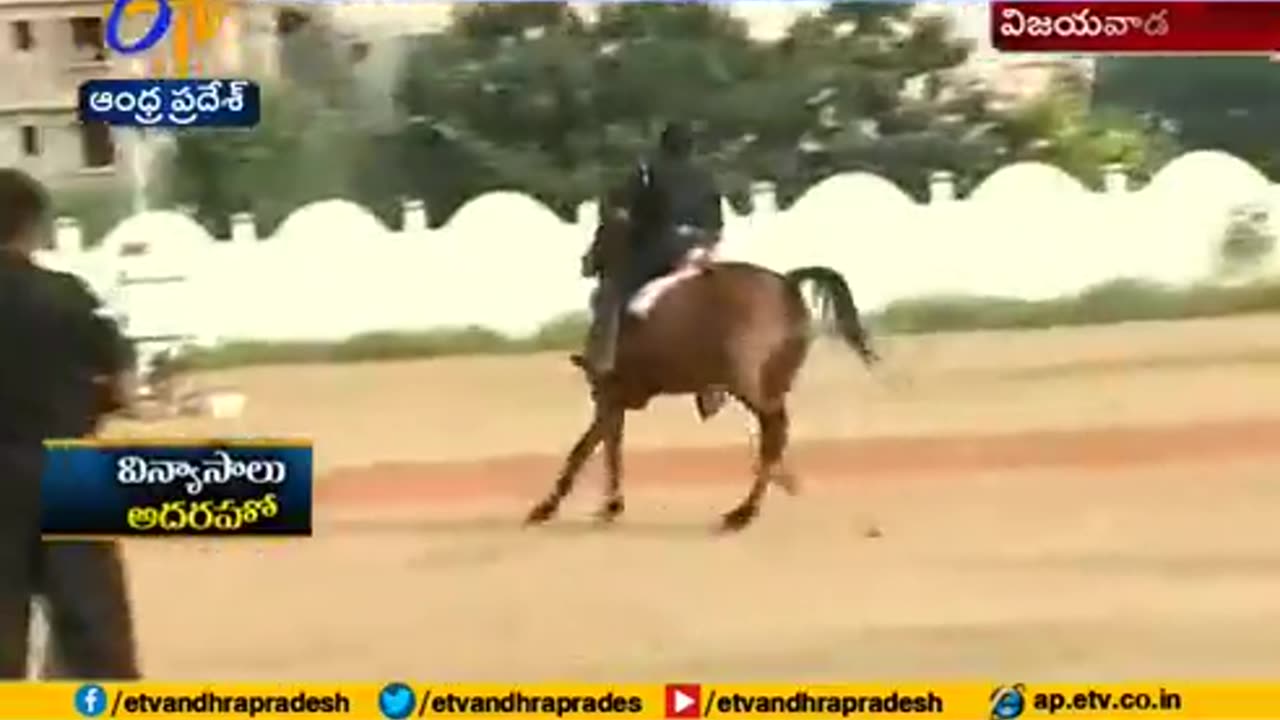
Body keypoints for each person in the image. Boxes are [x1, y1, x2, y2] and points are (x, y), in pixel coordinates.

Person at [0, 167, 141, 679]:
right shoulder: (69, 295)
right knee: (93, 626)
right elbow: (125, 386)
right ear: (34, 226)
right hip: (70, 469)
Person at [576, 121, 725, 378]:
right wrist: (706, 245)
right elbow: (717, 219)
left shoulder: (649, 172)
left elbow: (633, 213)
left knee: (613, 290)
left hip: (663, 245)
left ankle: (602, 358)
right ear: (692, 147)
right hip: (705, 245)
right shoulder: (706, 176)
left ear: (662, 145)